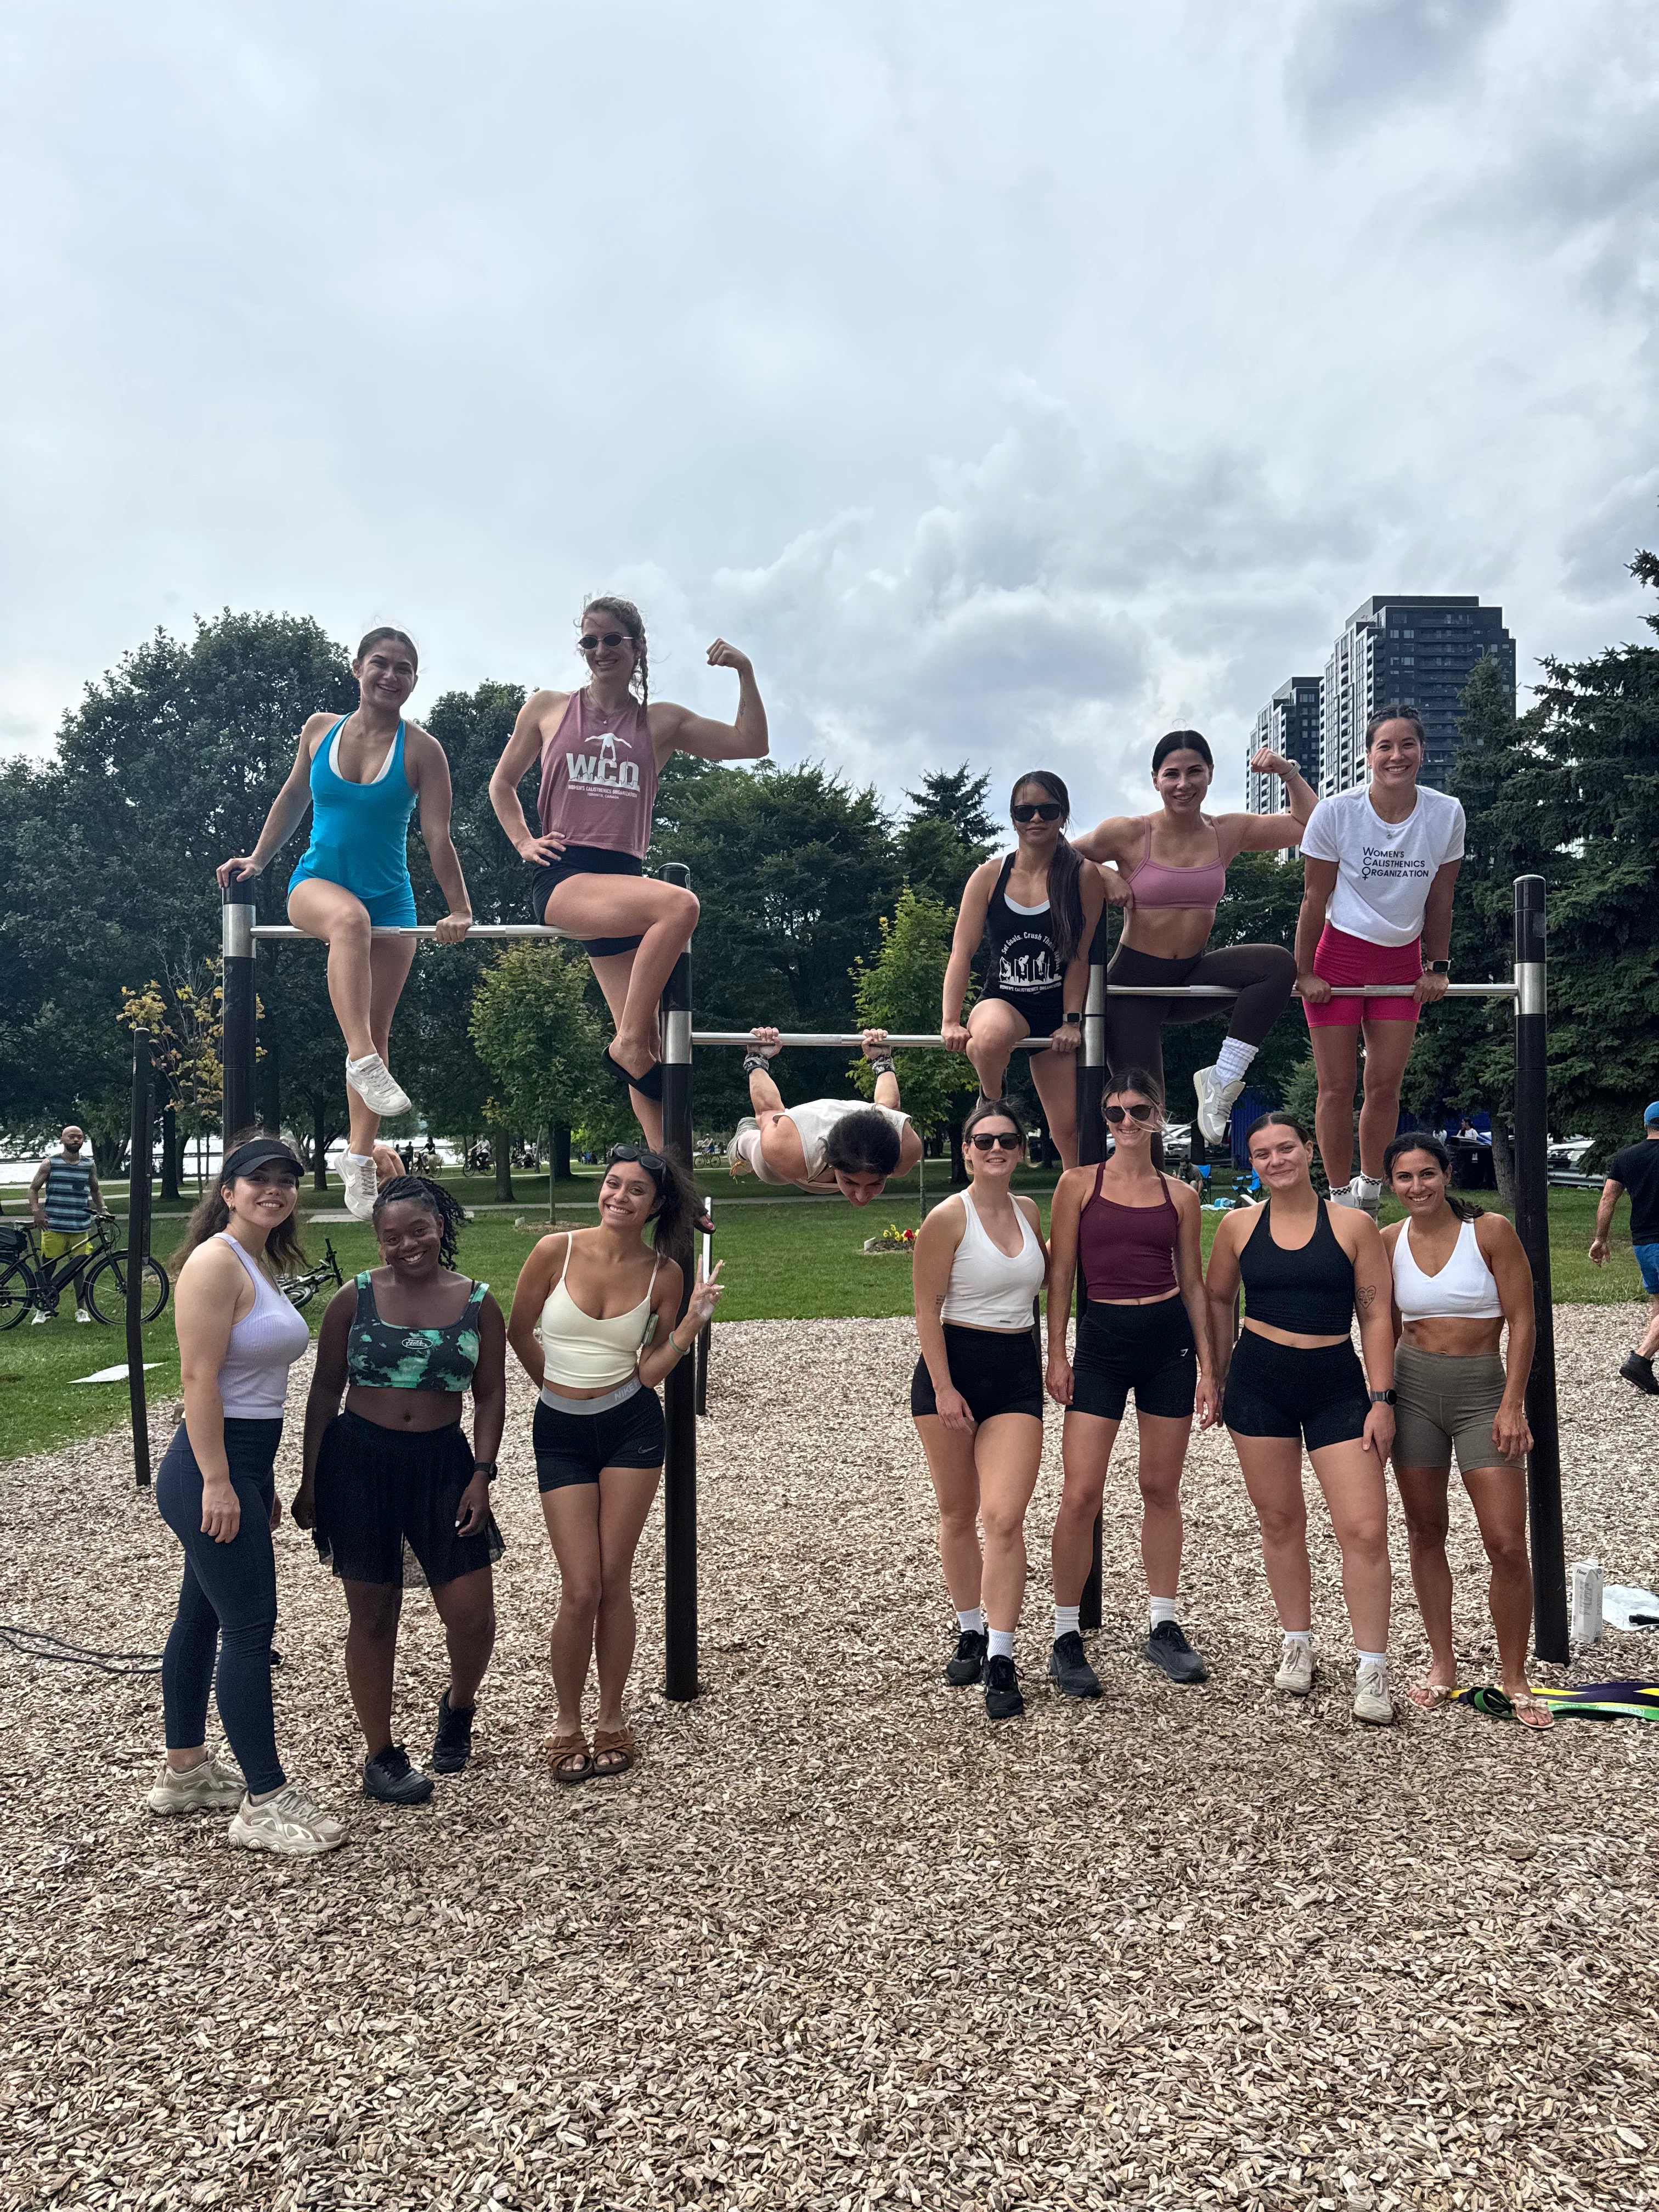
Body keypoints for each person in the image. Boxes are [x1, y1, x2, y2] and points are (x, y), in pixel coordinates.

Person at [488, 599, 769, 1147]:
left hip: (622, 885)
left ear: (637, 647)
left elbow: (751, 744)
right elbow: (502, 783)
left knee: (653, 1048)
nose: (600, 650)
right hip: (566, 876)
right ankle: (627, 1045)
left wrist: (745, 671)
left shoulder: (660, 721)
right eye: (589, 641)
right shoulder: (548, 707)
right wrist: (523, 841)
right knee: (679, 906)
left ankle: (669, 1172)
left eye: (612, 639)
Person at [216, 629, 473, 1224]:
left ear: (414, 680)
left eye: (404, 669)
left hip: (392, 900)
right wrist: (258, 859)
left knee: (378, 1028)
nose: (390, 676)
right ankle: (360, 1058)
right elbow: (292, 798)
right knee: (350, 925)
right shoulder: (319, 730)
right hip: (316, 885)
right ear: (357, 668)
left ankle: (358, 1157)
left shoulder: (423, 750)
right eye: (380, 663)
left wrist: (459, 908)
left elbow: (438, 835)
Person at [147, 1135, 345, 1855]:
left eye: (286, 1179)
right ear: (227, 1191)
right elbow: (198, 1380)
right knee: (251, 1627)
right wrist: (219, 1480)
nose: (274, 1189)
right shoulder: (214, 1263)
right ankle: (264, 1799)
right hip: (211, 1465)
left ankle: (185, 1773)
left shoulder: (256, 1262)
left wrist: (253, 1480)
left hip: (243, 1463)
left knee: (201, 1617)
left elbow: (253, 1387)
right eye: (257, 1178)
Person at [507, 1144, 721, 1782]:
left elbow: (649, 1372)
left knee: (612, 1576)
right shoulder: (555, 1251)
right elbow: (519, 1331)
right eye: (612, 1184)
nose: (618, 1197)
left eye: (635, 1190)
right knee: (580, 1587)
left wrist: (690, 1325)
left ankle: (610, 1717)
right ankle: (565, 1721)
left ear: (656, 1205)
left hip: (631, 1428)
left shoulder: (664, 1275)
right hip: (560, 1432)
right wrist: (557, 1393)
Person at [295, 1177, 506, 1804]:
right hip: (360, 1460)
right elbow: (323, 1391)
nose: (407, 1245)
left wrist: (482, 1474)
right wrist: (311, 1480)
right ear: (378, 1241)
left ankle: (459, 1706)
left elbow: (490, 1393)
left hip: (443, 1464)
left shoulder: (478, 1302)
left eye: (419, 1230)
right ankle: (381, 1755)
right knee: (373, 1612)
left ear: (440, 1225)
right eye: (392, 1237)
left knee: (471, 1615)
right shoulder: (353, 1298)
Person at [1205, 1111, 1398, 1724]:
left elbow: (1376, 1315)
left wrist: (1383, 1399)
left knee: (1364, 1529)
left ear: (1309, 1149)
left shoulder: (1353, 1226)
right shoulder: (1237, 1226)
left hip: (1335, 1385)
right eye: (1262, 1153)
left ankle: (1372, 1666)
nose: (1276, 1161)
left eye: (1286, 1148)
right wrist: (1214, 1373)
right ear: (1253, 1163)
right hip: (1258, 1384)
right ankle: (1297, 1640)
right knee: (1281, 1520)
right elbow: (1217, 1297)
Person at [1044, 1069, 1217, 1697]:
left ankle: (1163, 1623)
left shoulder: (1181, 1195)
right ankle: (1066, 1634)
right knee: (1080, 1493)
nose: (1125, 1123)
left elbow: (1193, 1283)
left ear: (1158, 1115)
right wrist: (1056, 1353)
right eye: (1114, 1113)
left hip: (1167, 1342)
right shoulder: (1078, 1185)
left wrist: (1209, 1367)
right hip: (1103, 1344)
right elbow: (1062, 1274)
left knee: (1160, 1488)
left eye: (1138, 1111)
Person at [1071, 732, 1316, 1142]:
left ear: (1210, 774)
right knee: (1145, 1110)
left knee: (1276, 965)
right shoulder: (1129, 832)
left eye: (1194, 772)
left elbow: (1308, 824)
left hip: (1190, 979)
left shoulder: (1227, 831)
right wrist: (1103, 873)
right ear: (1155, 780)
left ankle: (1223, 1077)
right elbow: (1058, 856)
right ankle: (1143, 1182)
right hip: (1133, 988)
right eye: (1172, 774)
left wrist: (1286, 772)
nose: (1183, 784)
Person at [1380, 1135, 1545, 1725]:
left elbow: (1524, 1319)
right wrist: (1381, 1402)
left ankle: (1514, 1675)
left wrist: (1512, 1404)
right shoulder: (1388, 1240)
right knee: (1426, 1530)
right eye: (1405, 1177)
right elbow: (1382, 1328)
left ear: (1447, 1175)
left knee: (1506, 1541)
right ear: (1392, 1184)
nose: (1417, 1186)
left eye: (1427, 1173)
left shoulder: (1490, 1232)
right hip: (1414, 1392)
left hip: (1482, 1393)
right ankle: (1442, 1663)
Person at [1294, 704, 1464, 1217]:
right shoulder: (1336, 812)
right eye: (1385, 746)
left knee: (1385, 1084)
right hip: (1339, 955)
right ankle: (1338, 1195)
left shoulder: (1446, 813)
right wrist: (1305, 971)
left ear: (1422, 752)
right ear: (1368, 755)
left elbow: (1441, 898)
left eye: (1407, 744)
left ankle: (1370, 1189)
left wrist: (1437, 966)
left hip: (1400, 961)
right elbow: (1313, 897)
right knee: (1336, 1087)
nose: (1397, 756)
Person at [910, 1097, 1049, 1720]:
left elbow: (1042, 1288)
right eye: (984, 1141)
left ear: (1021, 1150)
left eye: (1007, 1141)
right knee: (958, 1511)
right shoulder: (947, 1217)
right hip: (954, 1370)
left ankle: (1001, 1653)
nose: (996, 1149)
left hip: (1015, 1373)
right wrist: (944, 1388)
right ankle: (969, 1626)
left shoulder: (1028, 1210)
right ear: (966, 1150)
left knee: (1005, 1517)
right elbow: (926, 1308)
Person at [940, 772, 1118, 1169]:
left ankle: (1080, 1201)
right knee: (987, 1040)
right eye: (1024, 811)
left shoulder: (1082, 877)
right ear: (1013, 817)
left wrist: (1071, 1022)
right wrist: (950, 1020)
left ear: (1063, 815)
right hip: (1004, 1001)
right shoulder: (989, 876)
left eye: (1047, 810)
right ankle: (992, 1100)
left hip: (1054, 1011)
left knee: (1068, 1131)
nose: (1036, 819)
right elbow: (961, 953)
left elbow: (1080, 957)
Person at [730, 1029, 924, 1203]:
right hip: (785, 1159)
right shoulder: (787, 1148)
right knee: (754, 1143)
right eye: (850, 1181)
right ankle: (744, 1135)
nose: (861, 1197)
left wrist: (882, 1059)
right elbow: (767, 1110)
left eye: (875, 1183)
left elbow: (890, 1107)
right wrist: (757, 1058)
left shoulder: (906, 1149)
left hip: (810, 1149)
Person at [1589, 1101, 1659, 1395]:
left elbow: (1608, 1199)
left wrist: (1601, 1239)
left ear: (1646, 1125)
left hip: (1643, 1242)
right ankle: (1640, 1360)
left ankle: (1647, 1365)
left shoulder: (1627, 1157)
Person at [27, 1124, 103, 1323]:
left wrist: (103, 1209)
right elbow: (33, 1189)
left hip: (80, 1227)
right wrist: (37, 1212)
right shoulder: (50, 1164)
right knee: (48, 1267)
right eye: (71, 1137)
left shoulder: (89, 1165)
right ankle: (42, 1309)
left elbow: (95, 1190)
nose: (76, 1140)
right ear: (62, 1140)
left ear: (83, 1140)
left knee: (78, 1269)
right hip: (53, 1226)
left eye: (79, 1137)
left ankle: (81, 1310)